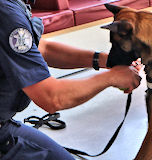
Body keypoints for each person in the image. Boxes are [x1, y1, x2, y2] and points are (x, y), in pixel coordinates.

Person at [0, 0, 141, 159]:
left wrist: (105, 60)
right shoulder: (6, 13)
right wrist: (112, 77)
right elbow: (52, 98)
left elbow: (42, 48)